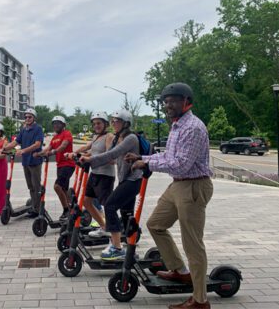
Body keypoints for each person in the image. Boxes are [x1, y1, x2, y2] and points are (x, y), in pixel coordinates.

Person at [127, 82, 214, 309]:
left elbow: (181, 164)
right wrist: (143, 158)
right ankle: (180, 271)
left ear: (186, 101)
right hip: (178, 185)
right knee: (155, 224)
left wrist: (146, 164)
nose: (168, 105)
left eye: (173, 100)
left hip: (194, 186)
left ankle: (200, 301)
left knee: (193, 244)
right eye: (166, 101)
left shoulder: (193, 127)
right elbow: (169, 155)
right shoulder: (177, 126)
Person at [79, 109, 142, 260]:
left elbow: (111, 155)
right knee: (127, 215)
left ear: (126, 123)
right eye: (113, 121)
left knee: (110, 206)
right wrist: (83, 156)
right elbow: (106, 153)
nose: (114, 123)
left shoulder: (131, 138)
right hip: (124, 179)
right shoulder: (117, 138)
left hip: (133, 180)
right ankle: (130, 248)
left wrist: (91, 160)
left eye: (117, 121)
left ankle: (117, 247)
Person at [66, 112, 115, 233]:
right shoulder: (95, 137)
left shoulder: (109, 136)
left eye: (99, 123)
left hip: (105, 175)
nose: (96, 126)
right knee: (86, 201)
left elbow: (109, 156)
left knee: (107, 205)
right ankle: (104, 226)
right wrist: (74, 153)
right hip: (95, 173)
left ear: (105, 124)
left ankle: (113, 230)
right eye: (94, 124)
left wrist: (88, 156)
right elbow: (88, 149)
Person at [0, 108, 44, 217]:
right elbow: (16, 142)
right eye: (26, 117)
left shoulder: (38, 129)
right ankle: (34, 206)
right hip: (26, 161)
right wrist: (5, 149)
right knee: (30, 186)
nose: (27, 119)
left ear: (34, 118)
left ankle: (38, 209)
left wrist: (23, 150)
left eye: (30, 117)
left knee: (36, 186)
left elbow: (37, 144)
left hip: (35, 161)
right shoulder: (24, 129)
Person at [36, 115, 75, 220]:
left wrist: (53, 152)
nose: (56, 125)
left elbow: (63, 146)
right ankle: (72, 208)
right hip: (60, 165)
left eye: (58, 123)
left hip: (68, 164)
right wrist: (38, 154)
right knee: (64, 189)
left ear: (63, 125)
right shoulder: (54, 138)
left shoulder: (67, 134)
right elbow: (47, 149)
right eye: (54, 124)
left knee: (57, 187)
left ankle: (66, 210)